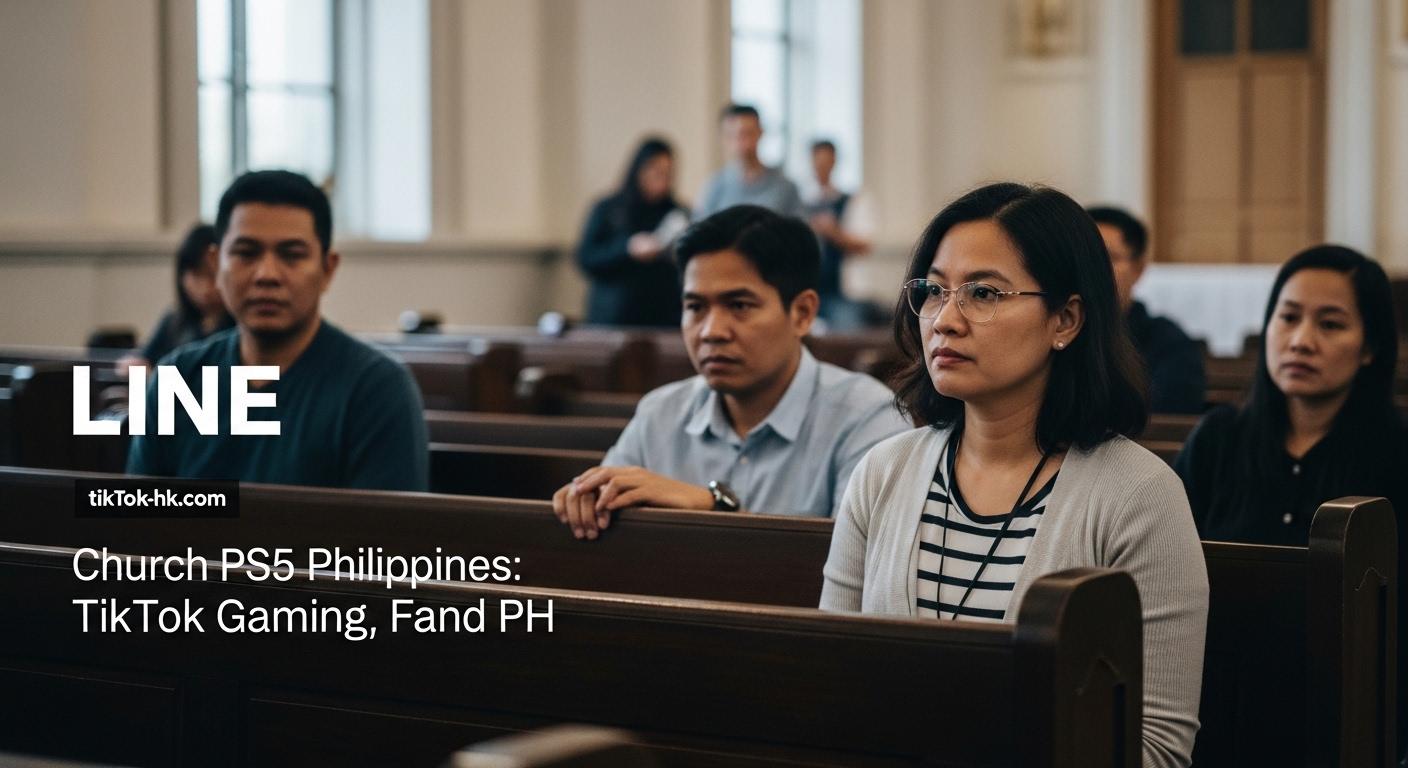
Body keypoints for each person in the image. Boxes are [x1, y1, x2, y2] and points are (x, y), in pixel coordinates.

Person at [821, 183, 1208, 768]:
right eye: (933, 290)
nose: (946, 320)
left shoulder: (1139, 494)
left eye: (983, 293)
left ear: (1066, 319)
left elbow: (1156, 747)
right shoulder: (882, 473)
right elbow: (830, 685)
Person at [1172, 245, 1407, 763]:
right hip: (1214, 701)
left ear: (1369, 346)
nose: (1301, 340)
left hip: (1346, 709)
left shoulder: (1398, 453)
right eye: (1289, 317)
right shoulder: (1218, 440)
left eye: (1331, 324)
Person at [552, 205, 911, 539]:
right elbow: (598, 522)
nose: (711, 331)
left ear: (802, 313)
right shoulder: (659, 414)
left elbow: (858, 574)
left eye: (738, 305)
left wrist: (715, 508)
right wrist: (583, 502)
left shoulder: (868, 420)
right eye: (695, 307)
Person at [126, 170, 428, 491]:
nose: (266, 274)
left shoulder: (376, 389)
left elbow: (387, 537)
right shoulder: (178, 378)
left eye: (291, 255)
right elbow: (137, 525)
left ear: (328, 269)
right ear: (217, 264)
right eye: (246, 253)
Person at [1087, 206, 1205, 413]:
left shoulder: (1169, 343)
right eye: (1085, 256)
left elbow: (1169, 418)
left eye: (1109, 257)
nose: (1094, 268)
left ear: (1138, 268)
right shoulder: (1051, 332)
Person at [577, 137, 691, 326]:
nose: (661, 180)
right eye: (656, 172)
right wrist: (627, 249)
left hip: (663, 317)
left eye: (667, 173)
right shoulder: (608, 209)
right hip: (614, 318)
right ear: (639, 170)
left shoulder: (678, 213)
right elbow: (586, 257)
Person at [119, 224, 234, 372]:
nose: (206, 287)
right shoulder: (174, 321)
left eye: (212, 275)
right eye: (197, 275)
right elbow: (145, 359)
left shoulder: (240, 327)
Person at [802, 139, 880, 331]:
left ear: (834, 162)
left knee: (845, 339)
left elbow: (864, 245)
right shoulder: (802, 202)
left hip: (843, 293)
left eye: (825, 162)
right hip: (808, 289)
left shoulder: (853, 200)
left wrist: (834, 233)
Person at [694, 104, 803, 219]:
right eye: (732, 135)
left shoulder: (785, 187)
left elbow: (801, 231)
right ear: (723, 138)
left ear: (760, 133)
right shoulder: (714, 187)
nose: (741, 143)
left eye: (748, 134)